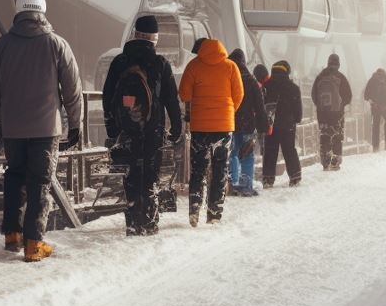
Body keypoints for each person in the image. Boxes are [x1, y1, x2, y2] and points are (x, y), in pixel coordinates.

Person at [0, 0, 82, 262]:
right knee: (40, 181)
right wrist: (75, 124)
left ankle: (12, 235)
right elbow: (72, 89)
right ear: (42, 11)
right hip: (45, 128)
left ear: (19, 11)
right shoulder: (56, 44)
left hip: (13, 128)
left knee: (14, 177)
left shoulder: (2, 45)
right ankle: (34, 243)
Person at [102, 15, 183, 236]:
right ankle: (148, 223)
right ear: (154, 38)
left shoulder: (119, 62)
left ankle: (132, 222)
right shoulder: (160, 64)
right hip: (152, 129)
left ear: (136, 34)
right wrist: (176, 128)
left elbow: (107, 95)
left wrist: (112, 128)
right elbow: (171, 100)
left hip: (125, 129)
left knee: (130, 174)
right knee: (149, 176)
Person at [179, 38, 243, 226]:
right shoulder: (231, 66)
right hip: (224, 127)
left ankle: (194, 209)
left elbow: (184, 94)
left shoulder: (193, 66)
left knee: (198, 169)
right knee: (220, 169)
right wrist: (228, 112)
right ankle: (214, 213)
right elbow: (239, 95)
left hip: (200, 127)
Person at [227, 49, 268, 196]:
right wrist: (264, 125)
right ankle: (246, 185)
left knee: (231, 153)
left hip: (230, 122)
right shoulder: (251, 81)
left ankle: (231, 183)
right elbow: (260, 106)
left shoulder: (228, 78)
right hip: (248, 124)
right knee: (247, 154)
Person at [261, 61, 303, 188]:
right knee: (289, 150)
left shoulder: (266, 86)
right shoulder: (293, 88)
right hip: (287, 125)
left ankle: (268, 178)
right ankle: (294, 176)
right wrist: (297, 119)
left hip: (271, 124)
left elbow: (261, 105)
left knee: (270, 150)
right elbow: (298, 109)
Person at [311, 53, 352, 170]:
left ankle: (325, 161)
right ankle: (335, 162)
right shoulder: (341, 77)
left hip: (322, 113)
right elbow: (348, 96)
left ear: (328, 63)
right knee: (337, 136)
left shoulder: (320, 77)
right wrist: (341, 105)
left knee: (324, 135)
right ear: (338, 64)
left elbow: (314, 95)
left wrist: (320, 106)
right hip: (337, 113)